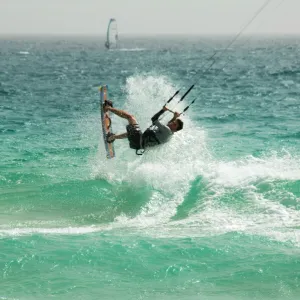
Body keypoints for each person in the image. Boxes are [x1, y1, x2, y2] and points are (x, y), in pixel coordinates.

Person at [103, 100, 183, 154]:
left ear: (175, 128)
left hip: (139, 140)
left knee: (130, 117)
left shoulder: (167, 130)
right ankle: (111, 138)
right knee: (132, 132)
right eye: (173, 122)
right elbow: (169, 125)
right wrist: (175, 117)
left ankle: (108, 107)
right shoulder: (169, 134)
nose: (172, 123)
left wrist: (163, 110)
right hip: (139, 145)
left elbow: (154, 119)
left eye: (174, 124)